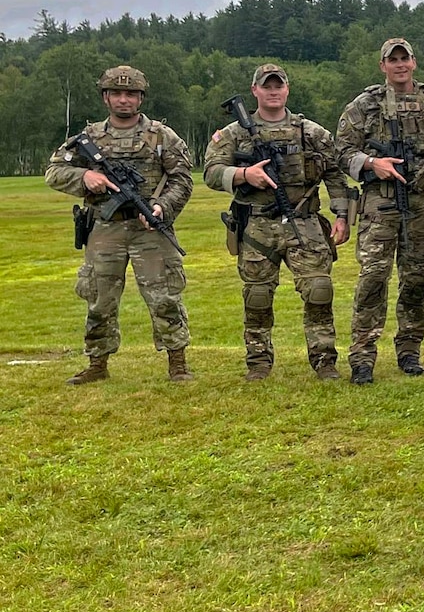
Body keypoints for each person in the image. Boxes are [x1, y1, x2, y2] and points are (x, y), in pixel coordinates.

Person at [44, 66, 195, 384]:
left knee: (165, 296)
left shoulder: (161, 136)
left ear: (141, 98)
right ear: (105, 97)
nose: (124, 99)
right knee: (99, 298)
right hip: (105, 226)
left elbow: (182, 180)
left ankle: (178, 363)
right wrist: (85, 177)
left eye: (131, 94)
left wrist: (161, 206)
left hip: (149, 228)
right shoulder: (88, 139)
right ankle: (97, 364)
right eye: (116, 93)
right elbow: (54, 172)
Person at [204, 63, 353, 381]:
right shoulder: (234, 133)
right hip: (257, 225)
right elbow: (212, 171)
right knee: (257, 296)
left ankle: (324, 360)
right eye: (266, 86)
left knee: (319, 290)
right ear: (254, 90)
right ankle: (258, 362)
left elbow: (335, 172)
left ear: (287, 89)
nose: (273, 91)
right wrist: (245, 174)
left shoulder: (309, 131)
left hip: (305, 222)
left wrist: (342, 215)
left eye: (278, 85)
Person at [336, 38, 424, 383]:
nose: (400, 65)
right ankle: (362, 356)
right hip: (380, 203)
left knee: (416, 280)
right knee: (373, 278)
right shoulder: (365, 105)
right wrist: (373, 163)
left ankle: (409, 350)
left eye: (405, 58)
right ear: (383, 66)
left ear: (414, 63)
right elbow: (341, 150)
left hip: (421, 202)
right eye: (394, 60)